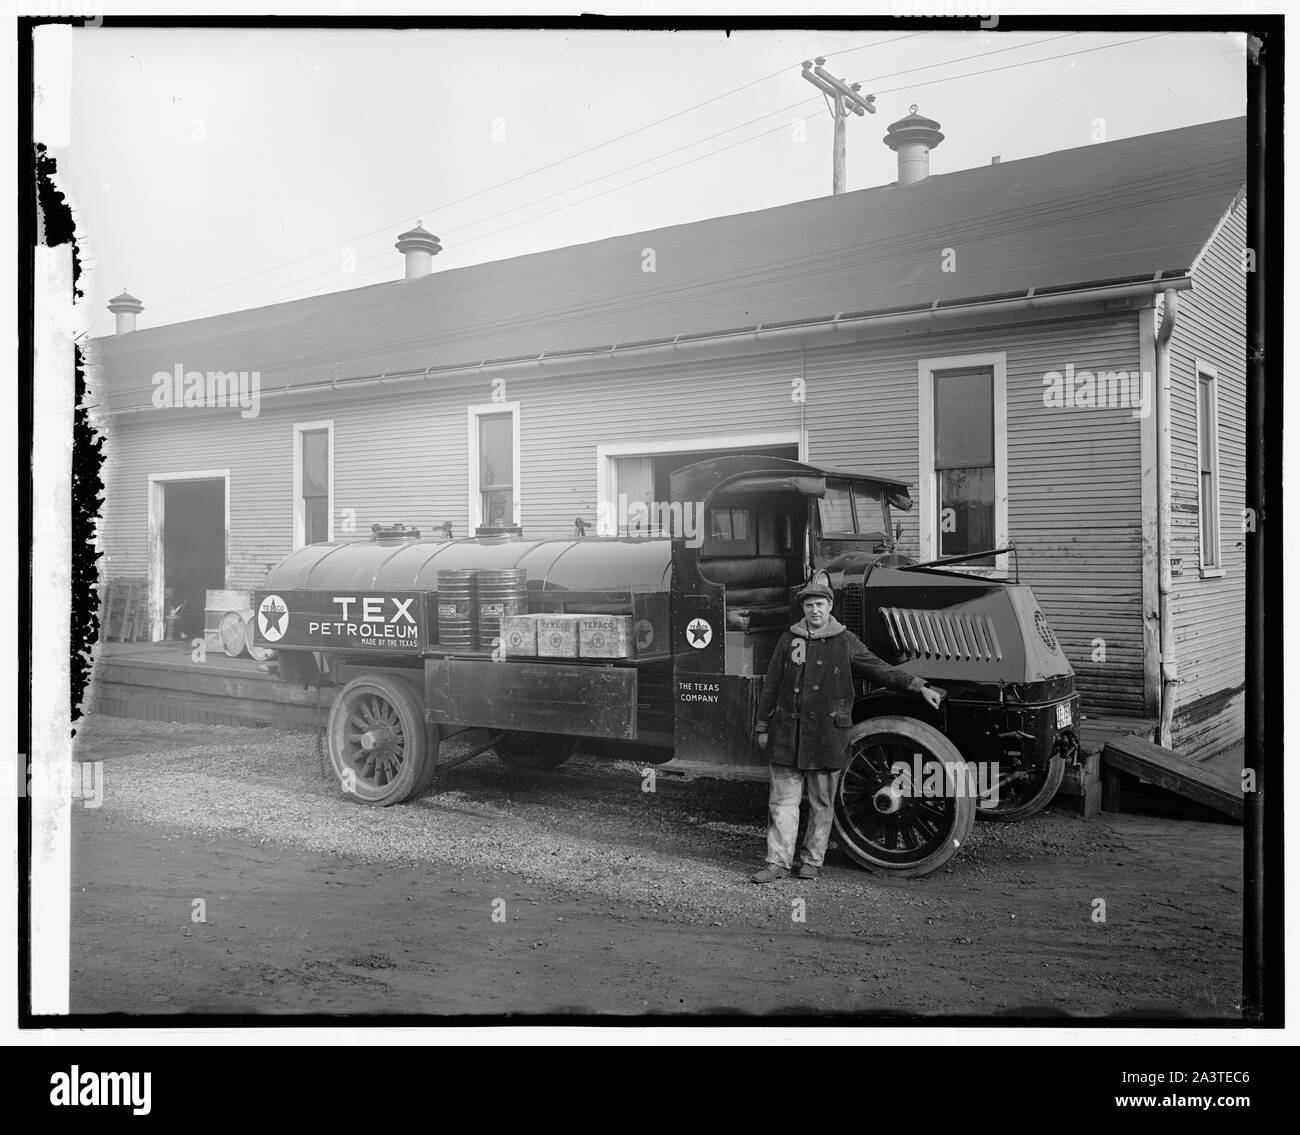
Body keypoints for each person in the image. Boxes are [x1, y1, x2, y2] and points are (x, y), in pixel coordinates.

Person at [750, 573, 945, 883]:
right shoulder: (789, 640)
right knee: (782, 803)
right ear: (804, 609)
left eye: (820, 604)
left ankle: (811, 862)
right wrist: (763, 725)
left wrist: (918, 685)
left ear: (830, 606)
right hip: (787, 736)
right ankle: (777, 862)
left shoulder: (845, 641)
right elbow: (772, 684)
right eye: (810, 605)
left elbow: (879, 669)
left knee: (821, 804)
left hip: (828, 737)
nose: (815, 611)